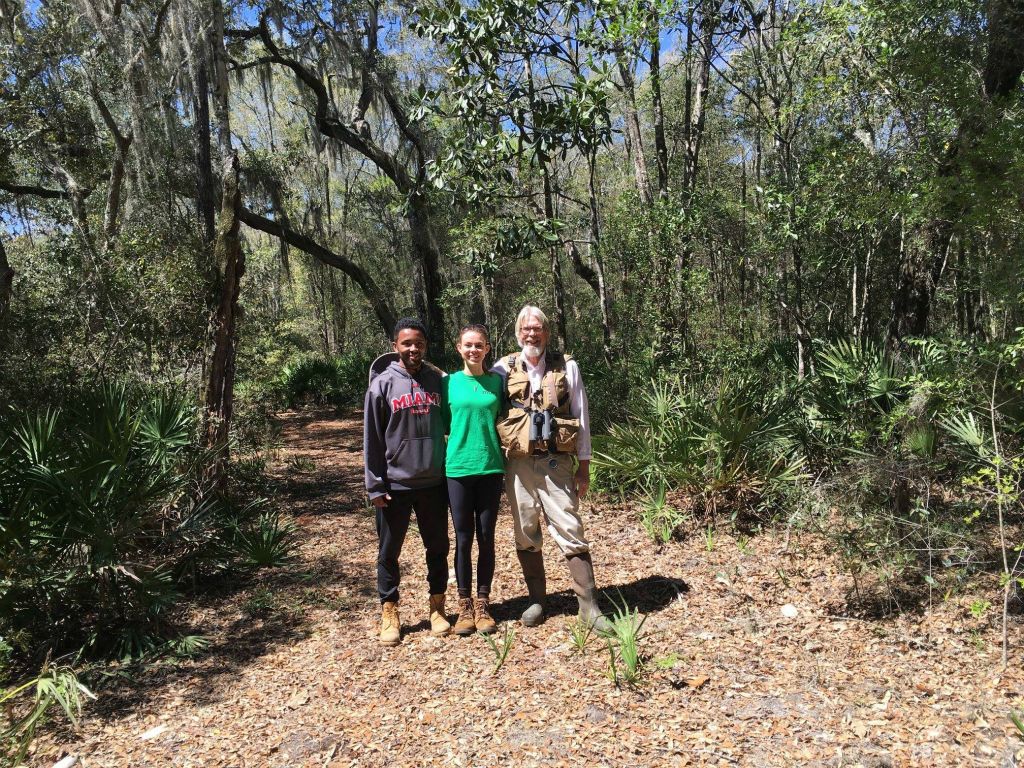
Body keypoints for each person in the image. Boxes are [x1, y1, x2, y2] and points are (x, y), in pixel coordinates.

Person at [492, 305, 611, 631]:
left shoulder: (566, 366)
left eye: (538, 328)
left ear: (546, 332)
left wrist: (583, 468)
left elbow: (582, 417)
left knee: (570, 529)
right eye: (526, 328)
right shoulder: (503, 368)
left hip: (555, 461)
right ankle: (536, 600)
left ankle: (589, 607)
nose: (532, 333)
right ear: (518, 333)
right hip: (518, 464)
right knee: (525, 530)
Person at [364, 317, 451, 645]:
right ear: (395, 346)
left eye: (419, 343)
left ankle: (438, 606)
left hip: (433, 481)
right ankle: (389, 611)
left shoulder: (436, 381)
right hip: (395, 484)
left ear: (425, 346)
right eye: (406, 343)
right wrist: (374, 484)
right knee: (389, 551)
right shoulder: (382, 384)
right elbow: (372, 438)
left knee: (438, 548)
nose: (413, 348)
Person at [442, 324, 505, 636]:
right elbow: (442, 423)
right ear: (459, 348)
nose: (473, 350)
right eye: (468, 345)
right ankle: (463, 606)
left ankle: (483, 603)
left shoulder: (496, 383)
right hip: (458, 469)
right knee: (463, 538)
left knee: (486, 537)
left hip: (491, 467)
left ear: (487, 348)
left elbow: (506, 421)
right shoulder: (449, 383)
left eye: (479, 345)